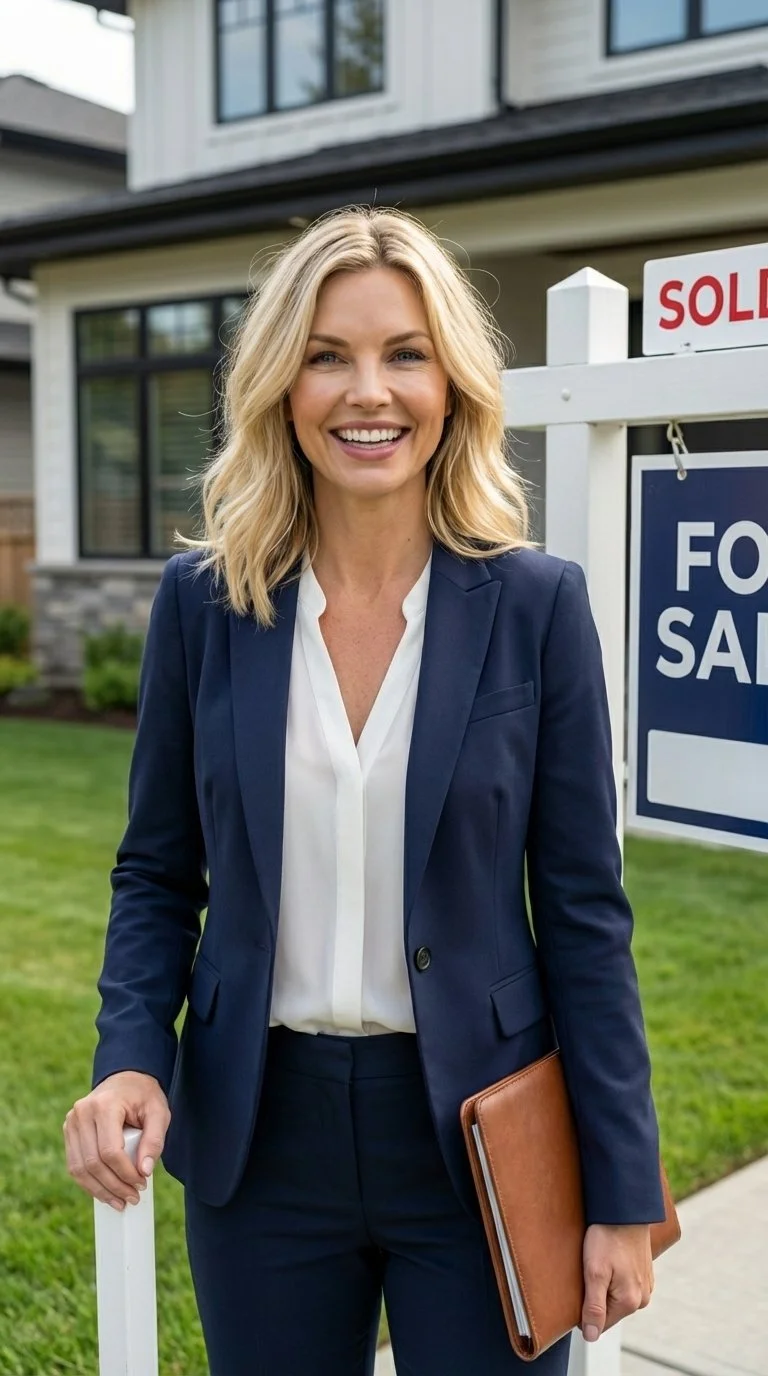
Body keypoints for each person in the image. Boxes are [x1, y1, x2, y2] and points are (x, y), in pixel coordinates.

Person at [63, 206, 665, 1376]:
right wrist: (130, 1048)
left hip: (480, 1136)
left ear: (453, 382)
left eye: (404, 353)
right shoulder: (204, 605)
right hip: (261, 1135)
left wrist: (624, 1188)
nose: (366, 392)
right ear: (283, 385)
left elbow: (587, 914)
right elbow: (156, 870)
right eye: (328, 355)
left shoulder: (536, 608)